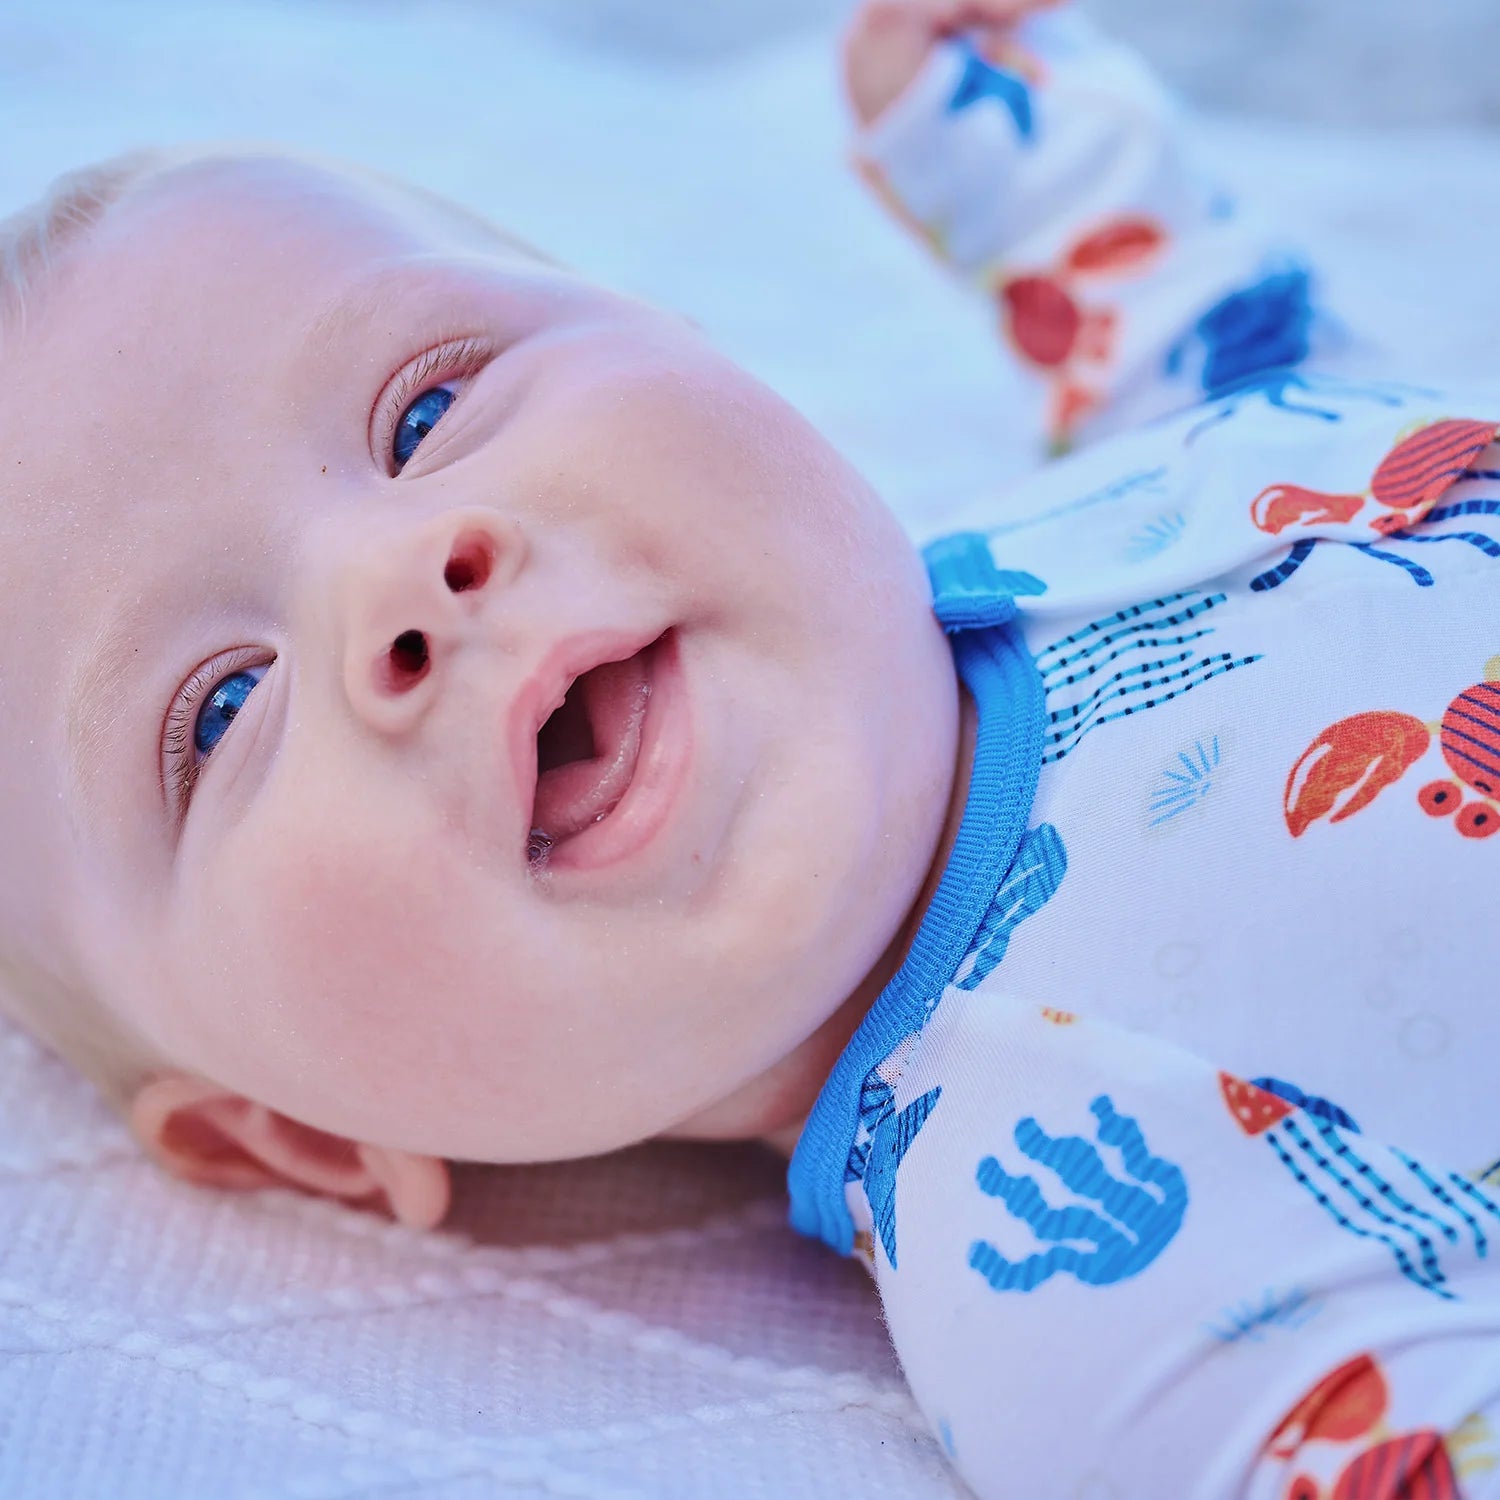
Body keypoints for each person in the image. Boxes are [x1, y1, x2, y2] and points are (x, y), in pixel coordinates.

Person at [2, 1, 1498, 1492]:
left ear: (683, 334)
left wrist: (1005, 137)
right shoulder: (1068, 1242)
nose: (393, 575)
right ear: (302, 1134)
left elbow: (1244, 371)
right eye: (219, 709)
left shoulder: (1091, 509)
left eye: (429, 410)